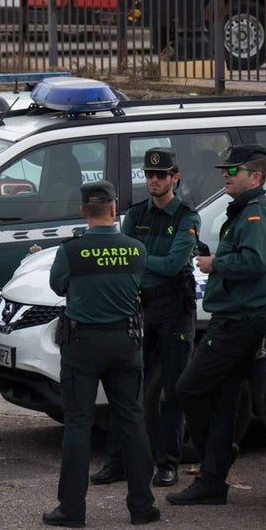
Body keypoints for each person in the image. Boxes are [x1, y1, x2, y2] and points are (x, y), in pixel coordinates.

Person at [168, 144, 266, 506]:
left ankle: (215, 461)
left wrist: (215, 264)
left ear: (256, 177)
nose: (226, 175)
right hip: (235, 317)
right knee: (222, 399)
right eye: (224, 170)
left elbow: (257, 261)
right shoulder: (244, 211)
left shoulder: (256, 213)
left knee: (189, 388)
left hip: (239, 321)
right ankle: (213, 480)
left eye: (234, 171)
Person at [43, 180, 160, 529]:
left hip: (82, 345)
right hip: (125, 343)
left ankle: (71, 509)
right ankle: (142, 506)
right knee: (133, 421)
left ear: (83, 211)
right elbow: (143, 284)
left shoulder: (70, 251)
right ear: (113, 209)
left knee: (78, 425)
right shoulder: (136, 249)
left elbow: (58, 286)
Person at [90, 147, 201, 489]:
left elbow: (172, 265)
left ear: (174, 178)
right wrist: (141, 258)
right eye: (149, 174)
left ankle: (167, 463)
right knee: (127, 387)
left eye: (161, 175)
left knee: (172, 389)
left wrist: (137, 255)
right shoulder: (137, 214)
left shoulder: (186, 217)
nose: (154, 180)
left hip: (174, 308)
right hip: (141, 306)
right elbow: (126, 259)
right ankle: (118, 461)